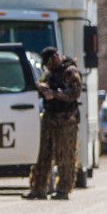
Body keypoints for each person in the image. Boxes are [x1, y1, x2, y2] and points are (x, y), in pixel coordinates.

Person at [23, 47, 82, 200]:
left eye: (48, 62)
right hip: (50, 117)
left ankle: (63, 189)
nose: (47, 66)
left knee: (65, 155)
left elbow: (74, 93)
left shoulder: (70, 71)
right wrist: (41, 88)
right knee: (43, 154)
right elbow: (41, 85)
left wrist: (55, 94)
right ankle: (38, 188)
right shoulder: (49, 73)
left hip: (66, 119)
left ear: (55, 57)